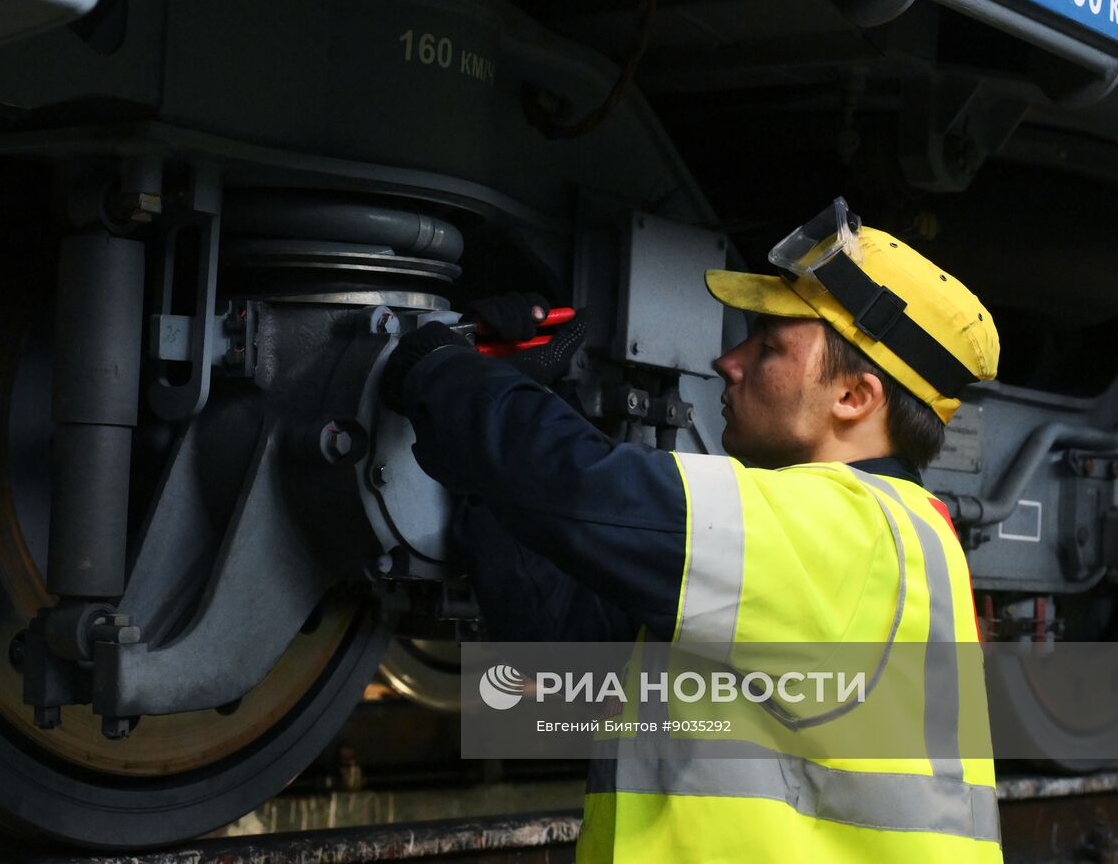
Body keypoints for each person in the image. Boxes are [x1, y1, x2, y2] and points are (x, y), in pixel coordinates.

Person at [379, 199, 1003, 863]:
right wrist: (523, 403)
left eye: (769, 347)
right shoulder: (871, 543)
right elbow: (563, 647)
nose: (727, 362)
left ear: (854, 397)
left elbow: (584, 490)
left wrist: (440, 366)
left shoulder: (846, 530)